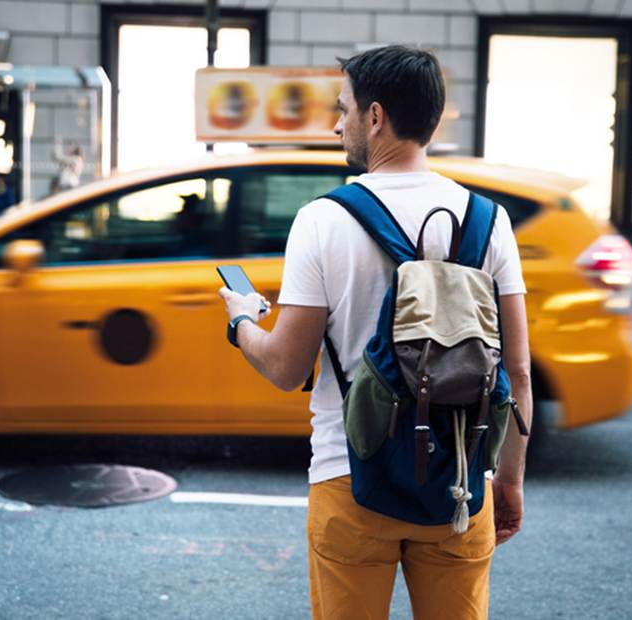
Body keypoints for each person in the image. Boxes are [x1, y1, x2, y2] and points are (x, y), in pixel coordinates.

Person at [218, 45, 531, 619]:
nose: (338, 124)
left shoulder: (323, 219)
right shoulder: (490, 222)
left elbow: (287, 369)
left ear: (376, 116)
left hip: (349, 478)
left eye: (344, 109)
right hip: (457, 484)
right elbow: (519, 372)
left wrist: (241, 322)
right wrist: (507, 477)